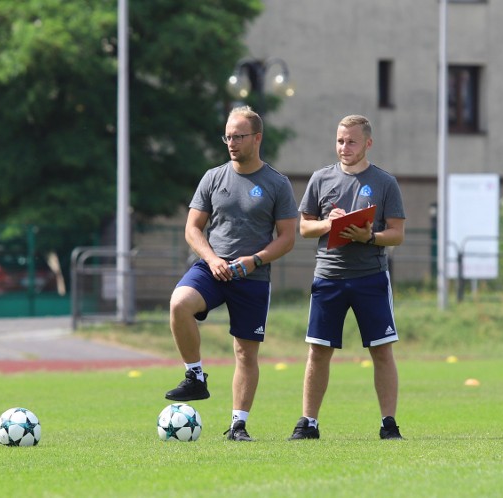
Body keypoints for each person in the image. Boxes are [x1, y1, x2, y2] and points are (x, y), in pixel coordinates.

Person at [164, 105, 298, 442]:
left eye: (238, 136)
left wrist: (255, 260)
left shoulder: (276, 183)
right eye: (227, 136)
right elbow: (193, 228)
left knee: (245, 352)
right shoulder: (213, 177)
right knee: (180, 303)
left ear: (257, 138)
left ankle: (238, 425)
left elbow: (287, 239)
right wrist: (211, 259)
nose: (231, 142)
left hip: (252, 277)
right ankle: (195, 376)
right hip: (213, 268)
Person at [288, 114, 406, 441]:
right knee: (318, 351)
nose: (344, 147)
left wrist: (368, 236)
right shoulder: (320, 179)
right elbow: (304, 227)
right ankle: (308, 423)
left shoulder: (385, 183)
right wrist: (329, 223)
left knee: (381, 350)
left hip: (371, 278)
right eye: (340, 141)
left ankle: (389, 423)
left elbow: (397, 234)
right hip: (328, 277)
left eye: (351, 141)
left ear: (368, 143)